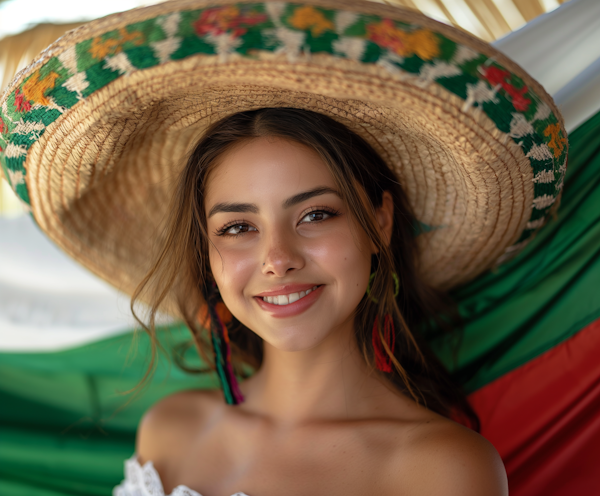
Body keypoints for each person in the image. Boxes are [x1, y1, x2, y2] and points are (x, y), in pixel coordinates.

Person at [0, 0, 566, 495]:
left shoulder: (440, 469)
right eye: (237, 227)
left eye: (315, 214)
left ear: (380, 222)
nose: (278, 257)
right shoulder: (169, 427)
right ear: (207, 252)